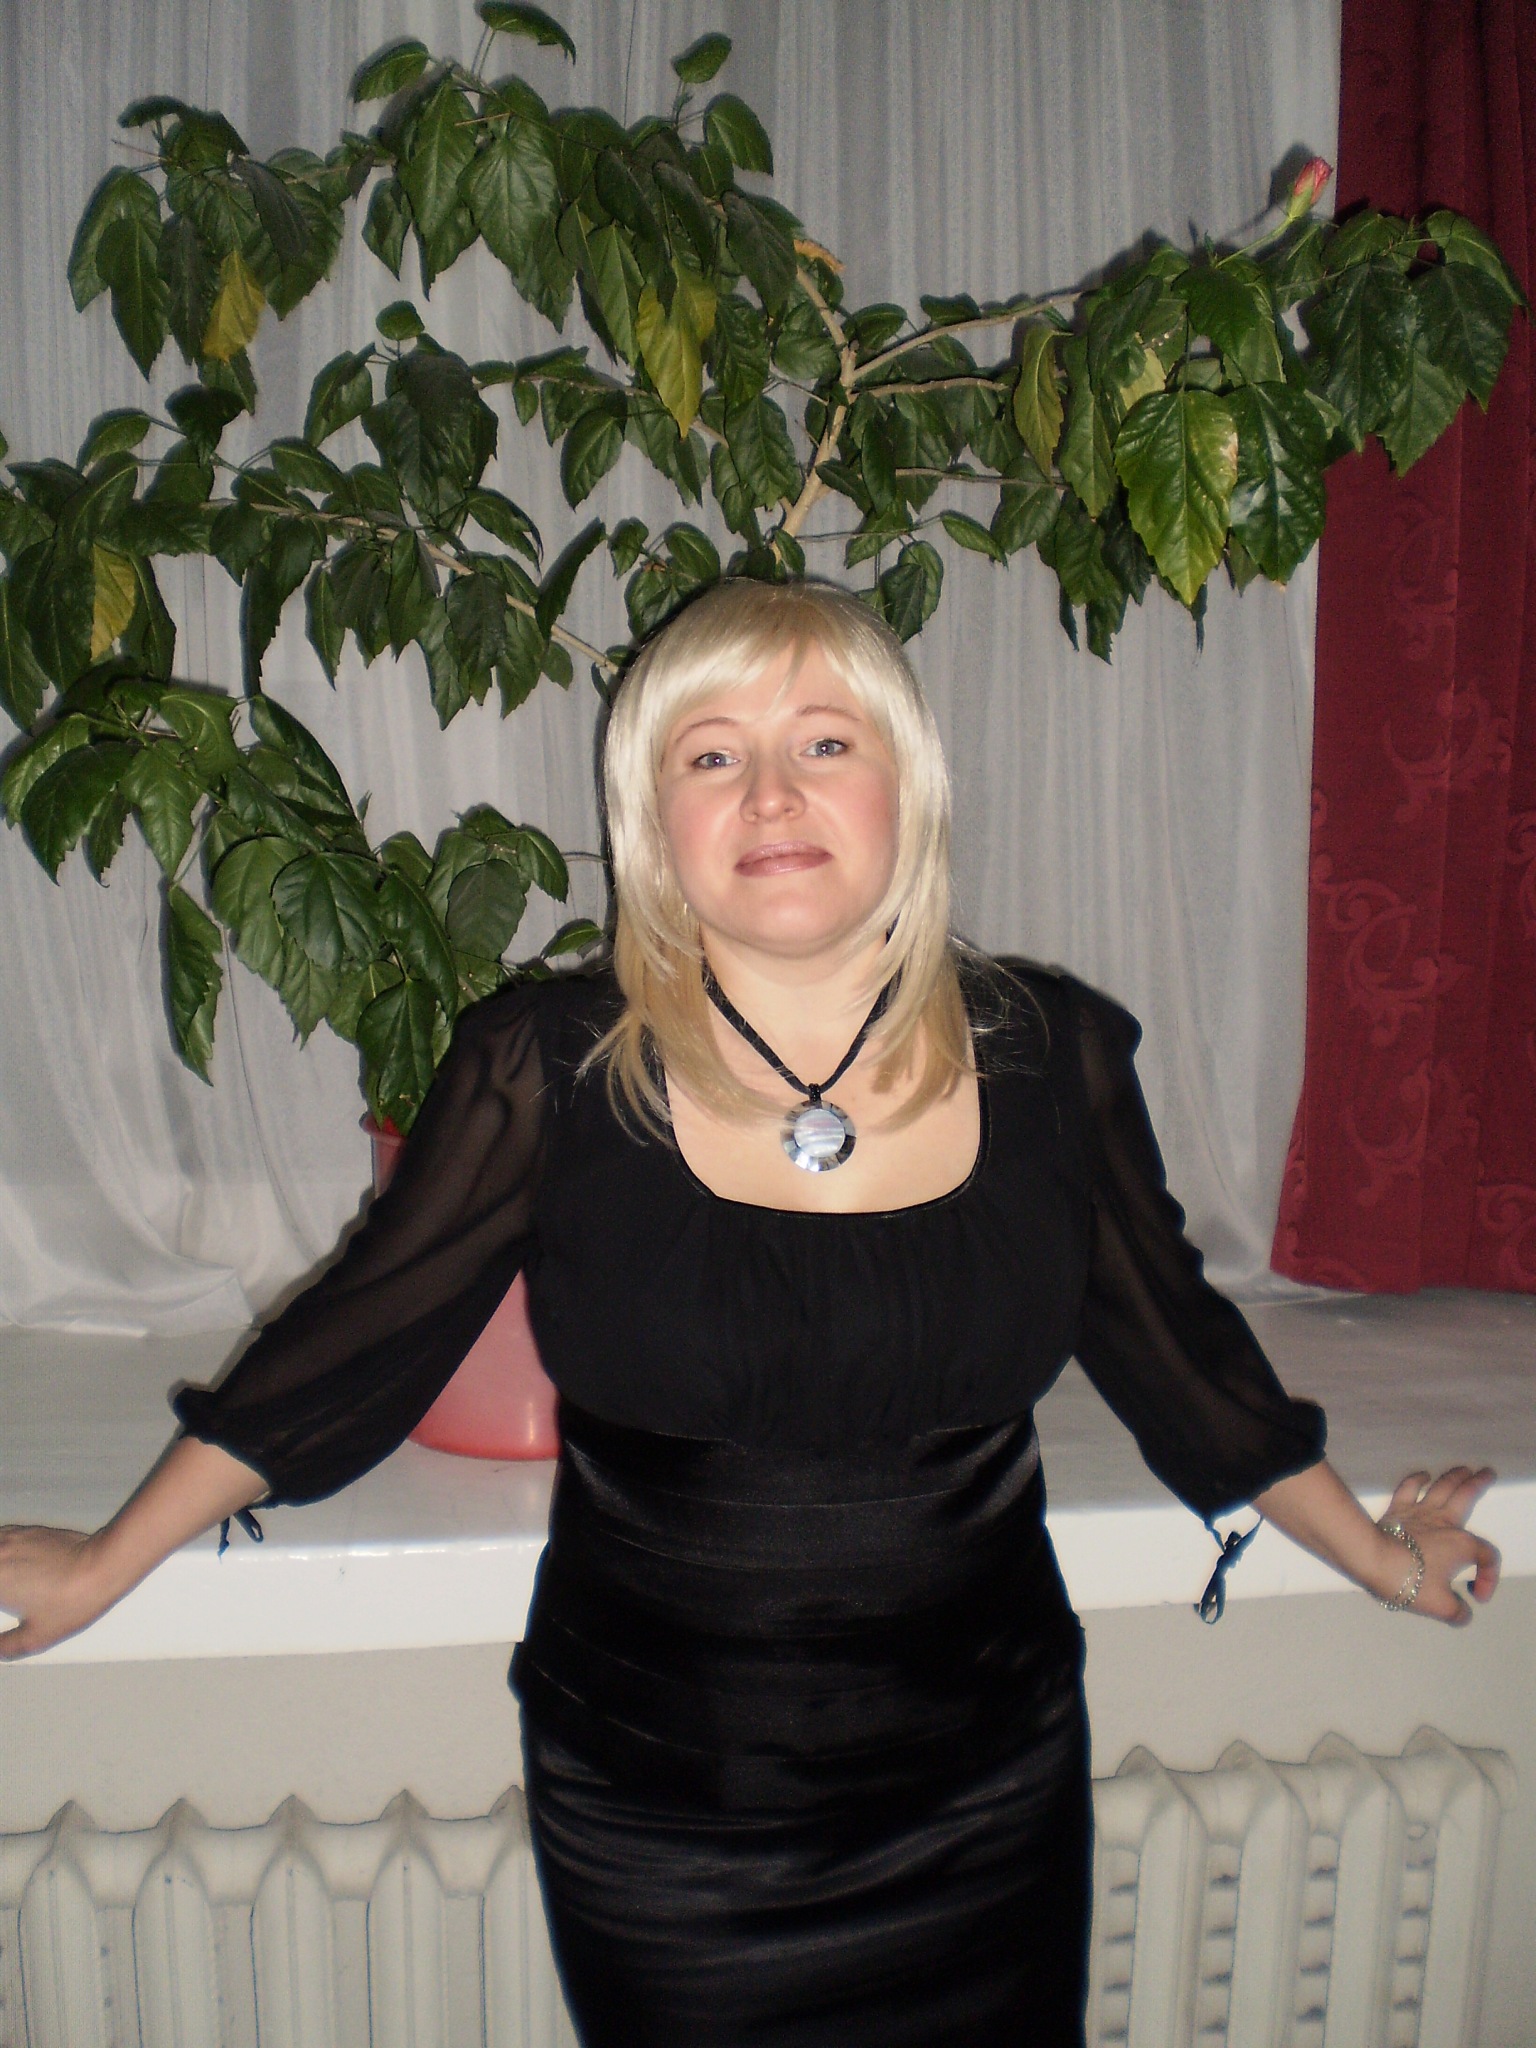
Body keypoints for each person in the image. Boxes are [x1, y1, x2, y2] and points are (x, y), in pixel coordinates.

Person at [0, 578, 1501, 2047]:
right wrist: (108, 1562)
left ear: (909, 786)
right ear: (652, 821)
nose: (771, 793)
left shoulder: (1053, 1054)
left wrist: (1380, 1556)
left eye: (825, 741)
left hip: (987, 1789)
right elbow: (352, 1345)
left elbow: (1183, 1357)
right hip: (667, 1811)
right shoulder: (550, 1065)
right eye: (710, 755)